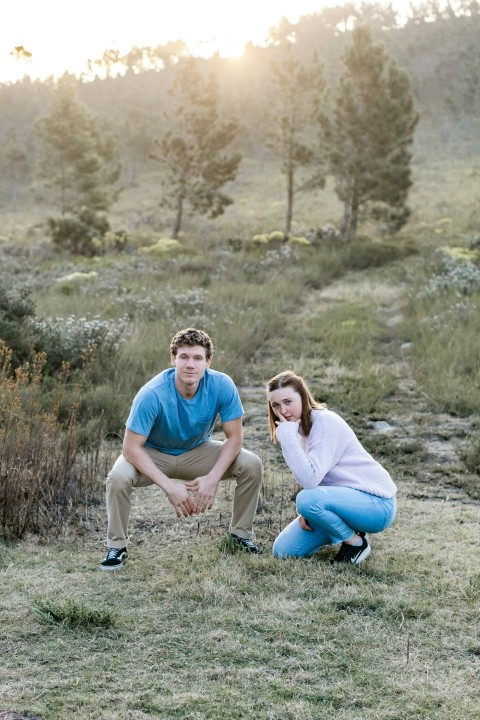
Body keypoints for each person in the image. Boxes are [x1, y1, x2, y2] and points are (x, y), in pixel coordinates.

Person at [100, 328, 262, 570]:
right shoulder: (151, 394)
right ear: (172, 359)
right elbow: (131, 449)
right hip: (152, 453)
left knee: (251, 463)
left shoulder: (221, 385)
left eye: (197, 358)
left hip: (197, 451)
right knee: (118, 477)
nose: (190, 364)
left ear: (208, 362)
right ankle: (117, 547)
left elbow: (235, 438)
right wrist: (169, 487)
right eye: (184, 357)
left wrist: (212, 478)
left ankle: (241, 536)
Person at [267, 371, 397, 564]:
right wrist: (309, 511)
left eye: (288, 402)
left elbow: (310, 480)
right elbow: (315, 475)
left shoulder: (325, 422)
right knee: (283, 551)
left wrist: (309, 504)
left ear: (302, 396)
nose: (282, 410)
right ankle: (350, 529)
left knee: (306, 499)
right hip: (342, 502)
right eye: (276, 405)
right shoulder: (296, 430)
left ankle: (355, 542)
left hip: (377, 504)